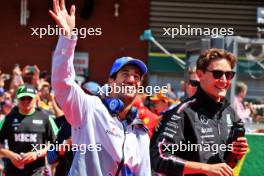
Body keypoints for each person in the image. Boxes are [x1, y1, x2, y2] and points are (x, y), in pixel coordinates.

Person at [49, 0, 151, 175]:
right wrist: (67, 38)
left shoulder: (140, 132)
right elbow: (62, 84)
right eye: (125, 74)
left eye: (136, 76)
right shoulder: (89, 109)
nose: (131, 79)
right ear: (111, 81)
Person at [150, 48, 248, 176]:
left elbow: (226, 165)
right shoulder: (182, 112)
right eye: (217, 74)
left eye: (229, 75)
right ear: (200, 74)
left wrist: (235, 153)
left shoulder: (230, 113)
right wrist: (205, 168)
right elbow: (159, 157)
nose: (224, 80)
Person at [0, 84, 58, 175]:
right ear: (17, 100)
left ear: (35, 99)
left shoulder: (46, 118)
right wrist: (10, 155)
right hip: (13, 171)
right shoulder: (8, 119)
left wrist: (37, 154)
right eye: (23, 98)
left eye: (29, 98)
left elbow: (56, 144)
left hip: (37, 172)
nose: (26, 101)